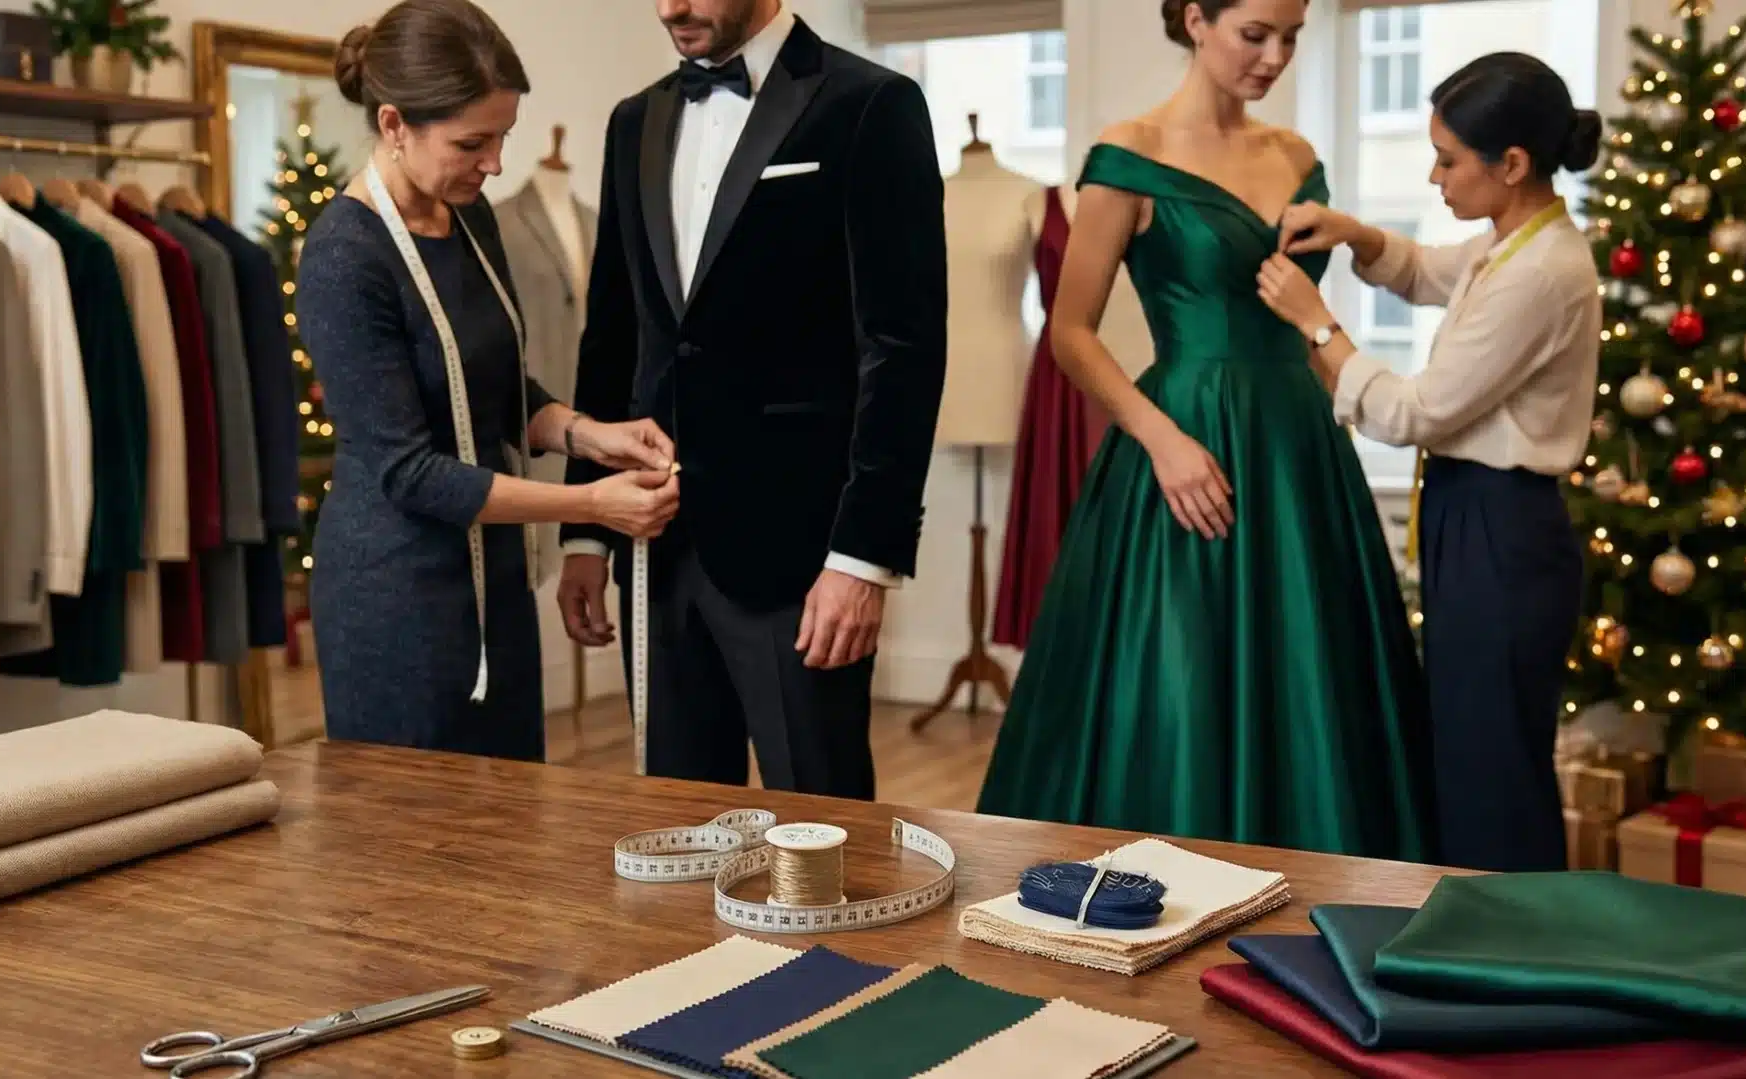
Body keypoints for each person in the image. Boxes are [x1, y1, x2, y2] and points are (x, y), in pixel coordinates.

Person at [974, 0, 1437, 863]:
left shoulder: (1297, 156)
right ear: (1195, 19)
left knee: (1312, 676)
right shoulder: (1130, 157)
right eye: (1254, 34)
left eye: (1291, 38)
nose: (1276, 57)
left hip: (1300, 449)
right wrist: (1161, 440)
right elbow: (1071, 331)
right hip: (1182, 442)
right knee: (1181, 672)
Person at [556, 0, 946, 799]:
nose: (670, 9)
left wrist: (863, 557)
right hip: (653, 538)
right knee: (677, 827)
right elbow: (614, 334)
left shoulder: (870, 103)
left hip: (801, 554)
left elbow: (902, 351)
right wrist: (584, 531)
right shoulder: (634, 120)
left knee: (825, 836)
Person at [297, 0, 681, 760]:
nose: (497, 163)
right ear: (394, 125)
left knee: (508, 827)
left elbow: (494, 389)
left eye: (503, 136)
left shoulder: (467, 215)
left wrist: (585, 433)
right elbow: (410, 471)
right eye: (473, 142)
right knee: (419, 846)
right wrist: (590, 504)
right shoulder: (344, 255)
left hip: (495, 584)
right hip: (397, 601)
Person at [1254, 52, 1603, 872]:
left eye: (1449, 159)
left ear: (1510, 165)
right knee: (1470, 750)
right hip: (1474, 519)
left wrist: (1317, 327)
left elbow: (1418, 410)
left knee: (1495, 766)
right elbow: (1423, 271)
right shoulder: (1510, 244)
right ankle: (1484, 942)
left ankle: (1514, 953)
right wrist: (1357, 235)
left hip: (1501, 528)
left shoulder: (1544, 274)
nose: (1435, 174)